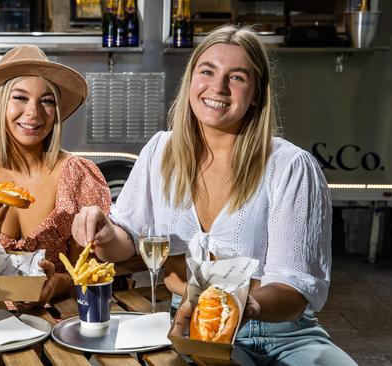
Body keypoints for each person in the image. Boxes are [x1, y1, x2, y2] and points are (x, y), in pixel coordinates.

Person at [72, 25, 356, 365]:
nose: (218, 87)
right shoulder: (161, 151)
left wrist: (244, 305)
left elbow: (294, 290)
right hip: (191, 328)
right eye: (207, 71)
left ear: (257, 93)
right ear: (191, 80)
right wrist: (104, 232)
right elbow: (127, 238)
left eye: (236, 77)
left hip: (284, 336)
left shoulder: (290, 166)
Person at [0, 45, 111, 308]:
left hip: (60, 314)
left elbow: (91, 273)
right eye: (20, 98)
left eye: (47, 100)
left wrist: (61, 282)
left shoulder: (77, 175)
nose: (34, 112)